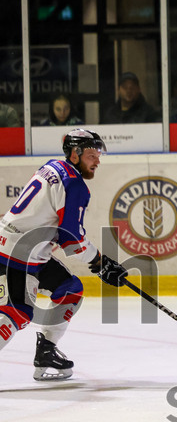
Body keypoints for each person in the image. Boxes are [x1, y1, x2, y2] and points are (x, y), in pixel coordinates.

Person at [0, 129, 129, 381]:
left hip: (23, 247)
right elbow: (71, 240)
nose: (97, 161)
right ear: (75, 154)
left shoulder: (53, 166)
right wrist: (101, 262)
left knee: (69, 288)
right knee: (17, 311)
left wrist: (99, 262)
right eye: (91, 155)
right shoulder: (75, 185)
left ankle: (46, 352)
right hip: (18, 253)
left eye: (98, 155)